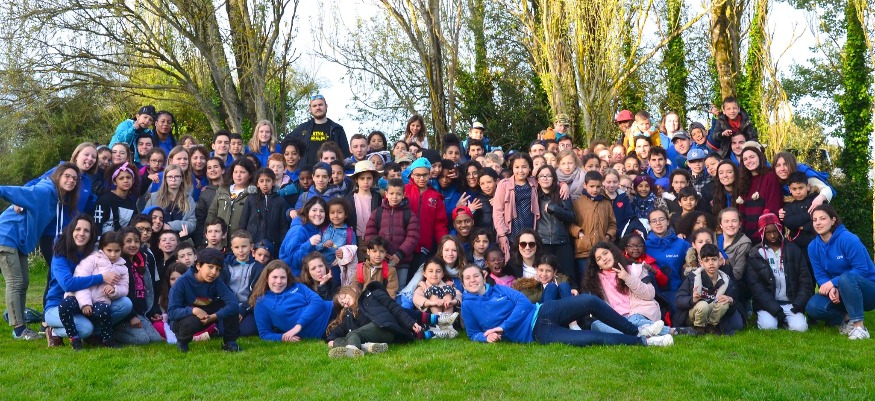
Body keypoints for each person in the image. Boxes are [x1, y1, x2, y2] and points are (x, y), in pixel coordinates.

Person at [460, 265, 673, 347]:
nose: (472, 280)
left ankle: (636, 329)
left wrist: (503, 327)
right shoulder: (468, 306)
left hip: (544, 310)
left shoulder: (498, 289)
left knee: (590, 301)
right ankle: (644, 342)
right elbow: (472, 333)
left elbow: (523, 302)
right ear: (462, 283)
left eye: (475, 276)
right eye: (467, 278)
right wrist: (486, 337)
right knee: (592, 338)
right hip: (537, 333)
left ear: (483, 276)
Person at [1, 162, 81, 340]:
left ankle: (20, 325)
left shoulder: (56, 197)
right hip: (6, 236)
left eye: (75, 178)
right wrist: (13, 198)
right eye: (67, 176)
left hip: (19, 242)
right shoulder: (45, 191)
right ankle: (19, 330)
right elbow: (17, 192)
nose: (71, 180)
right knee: (15, 282)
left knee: (23, 282)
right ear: (57, 176)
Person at [44, 216, 132, 346]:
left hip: (89, 301)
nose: (81, 233)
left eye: (86, 230)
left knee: (125, 304)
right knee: (85, 329)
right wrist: (101, 277)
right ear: (71, 231)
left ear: (91, 235)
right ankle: (54, 331)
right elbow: (67, 284)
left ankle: (95, 333)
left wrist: (114, 289)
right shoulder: (60, 254)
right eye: (78, 229)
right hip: (59, 305)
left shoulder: (94, 253)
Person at [583, 242, 685, 336]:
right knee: (596, 325)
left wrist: (627, 278)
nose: (604, 258)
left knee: (632, 321)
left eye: (605, 253)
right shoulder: (595, 281)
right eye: (599, 258)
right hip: (617, 319)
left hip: (639, 313)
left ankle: (670, 331)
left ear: (613, 253)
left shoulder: (636, 269)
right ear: (598, 265)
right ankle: (646, 336)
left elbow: (649, 294)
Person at [805, 205, 875, 340]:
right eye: (814, 220)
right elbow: (820, 275)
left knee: (846, 278)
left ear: (833, 220)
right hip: (839, 290)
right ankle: (848, 318)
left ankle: (860, 328)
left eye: (822, 218)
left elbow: (861, 269)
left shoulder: (849, 239)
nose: (818, 223)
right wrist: (832, 287)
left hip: (868, 290)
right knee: (813, 307)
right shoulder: (813, 247)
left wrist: (834, 283)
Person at [58, 231, 129, 349]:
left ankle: (106, 338)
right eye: (109, 250)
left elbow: (124, 288)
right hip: (78, 298)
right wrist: (85, 303)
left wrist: (114, 290)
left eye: (117, 251)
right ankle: (74, 338)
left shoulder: (123, 268)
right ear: (102, 248)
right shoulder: (91, 259)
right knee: (65, 305)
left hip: (100, 301)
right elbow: (80, 281)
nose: (113, 254)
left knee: (104, 310)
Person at [746, 211, 813, 332]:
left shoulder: (793, 249)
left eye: (775, 231)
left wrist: (798, 305)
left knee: (801, 328)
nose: (772, 235)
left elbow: (805, 280)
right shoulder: (755, 254)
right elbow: (756, 287)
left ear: (780, 230)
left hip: (791, 303)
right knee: (768, 327)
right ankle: (777, 319)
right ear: (762, 233)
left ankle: (786, 320)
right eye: (768, 232)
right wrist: (775, 309)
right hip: (767, 305)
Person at [168, 247, 241, 352]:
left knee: (231, 307)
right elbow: (172, 313)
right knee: (191, 322)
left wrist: (213, 317)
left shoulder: (217, 282)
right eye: (210, 267)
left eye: (218, 269)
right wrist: (194, 310)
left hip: (207, 315)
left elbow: (233, 303)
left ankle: (230, 342)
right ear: (198, 266)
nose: (214, 272)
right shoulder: (181, 282)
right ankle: (182, 342)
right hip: (185, 319)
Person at [327, 283, 427, 359]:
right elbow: (341, 328)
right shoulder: (349, 315)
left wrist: (410, 323)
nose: (345, 302)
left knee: (353, 334)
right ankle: (367, 347)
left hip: (383, 328)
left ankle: (352, 351)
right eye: (342, 304)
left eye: (344, 297)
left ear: (352, 290)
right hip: (370, 337)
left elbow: (395, 309)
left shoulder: (371, 296)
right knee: (342, 339)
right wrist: (332, 340)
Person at [250, 259, 333, 343]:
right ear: (267, 278)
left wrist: (298, 326)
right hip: (321, 329)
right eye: (274, 277)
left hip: (331, 310)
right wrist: (282, 337)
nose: (279, 281)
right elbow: (264, 334)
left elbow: (318, 302)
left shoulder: (297, 286)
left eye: (283, 277)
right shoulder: (262, 302)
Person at [675, 244, 744, 335]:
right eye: (707, 260)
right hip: (694, 315)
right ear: (701, 263)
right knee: (703, 305)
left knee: (724, 303)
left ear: (720, 261)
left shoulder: (726, 280)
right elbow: (678, 299)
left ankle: (710, 326)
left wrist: (731, 300)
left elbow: (731, 310)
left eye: (714, 259)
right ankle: (699, 328)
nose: (711, 263)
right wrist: (692, 300)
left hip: (711, 313)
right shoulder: (693, 277)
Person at [364, 178, 420, 287]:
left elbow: (413, 237)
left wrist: (399, 254)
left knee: (399, 287)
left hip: (402, 261)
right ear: (386, 194)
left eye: (398, 194)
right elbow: (370, 233)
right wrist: (379, 251)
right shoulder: (378, 213)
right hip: (380, 260)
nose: (395, 197)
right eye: (391, 193)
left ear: (403, 195)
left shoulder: (409, 214)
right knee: (379, 287)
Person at [113, 227, 164, 345]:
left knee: (155, 339)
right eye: (128, 241)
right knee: (142, 339)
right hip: (126, 314)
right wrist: (131, 316)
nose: (133, 245)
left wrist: (153, 311)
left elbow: (149, 290)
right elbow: (120, 295)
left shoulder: (141, 261)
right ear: (121, 243)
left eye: (136, 241)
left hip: (141, 313)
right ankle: (109, 333)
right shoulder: (119, 265)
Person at [533, 165, 575, 286]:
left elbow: (571, 216)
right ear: (537, 179)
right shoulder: (534, 195)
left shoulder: (561, 193)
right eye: (542, 176)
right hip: (543, 242)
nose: (545, 178)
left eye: (548, 176)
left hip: (562, 241)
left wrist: (555, 208)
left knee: (568, 277)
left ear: (554, 178)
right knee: (545, 278)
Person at [493, 153, 539, 260]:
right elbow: (497, 211)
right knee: (513, 262)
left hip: (529, 229)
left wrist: (563, 184)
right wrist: (501, 234)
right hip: (511, 231)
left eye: (524, 167)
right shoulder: (504, 184)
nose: (520, 170)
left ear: (530, 168)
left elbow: (551, 181)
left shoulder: (534, 183)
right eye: (517, 167)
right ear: (512, 168)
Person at [644, 209, 690, 312]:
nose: (658, 223)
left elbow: (698, 254)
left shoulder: (681, 244)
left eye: (661, 219)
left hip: (676, 291)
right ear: (650, 225)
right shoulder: (643, 246)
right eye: (654, 221)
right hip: (652, 293)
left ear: (668, 222)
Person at [287, 94, 349, 166]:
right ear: (310, 109)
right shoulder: (302, 128)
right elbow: (285, 143)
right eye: (314, 106)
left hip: (330, 171)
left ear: (326, 106)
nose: (318, 108)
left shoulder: (337, 129)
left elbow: (346, 155)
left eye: (320, 105)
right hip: (307, 171)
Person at [738, 145, 783, 238]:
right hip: (746, 237)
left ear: (759, 157)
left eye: (752, 157)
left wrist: (759, 235)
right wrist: (743, 236)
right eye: (745, 159)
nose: (749, 161)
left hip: (766, 235)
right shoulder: (744, 181)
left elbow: (772, 208)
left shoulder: (770, 177)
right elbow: (742, 211)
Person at [207, 158, 257, 241]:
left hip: (241, 241)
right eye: (235, 172)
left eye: (242, 172)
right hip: (219, 240)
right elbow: (212, 214)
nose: (238, 175)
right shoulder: (222, 190)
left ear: (250, 175)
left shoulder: (253, 194)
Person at [239, 168, 289, 249]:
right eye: (261, 181)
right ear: (257, 184)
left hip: (273, 244)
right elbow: (243, 221)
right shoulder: (251, 199)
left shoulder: (279, 200)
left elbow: (283, 226)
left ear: (273, 182)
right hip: (253, 242)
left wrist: (282, 245)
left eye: (268, 181)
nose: (265, 184)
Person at [279, 197, 328, 277]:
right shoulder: (298, 230)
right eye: (314, 210)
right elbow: (294, 260)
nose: (318, 214)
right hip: (294, 278)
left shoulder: (316, 229)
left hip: (307, 277)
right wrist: (309, 244)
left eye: (322, 211)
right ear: (307, 212)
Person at [143, 164, 196, 236]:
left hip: (180, 238)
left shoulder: (189, 200)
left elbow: (192, 224)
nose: (173, 179)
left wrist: (170, 226)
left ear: (182, 179)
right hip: (157, 238)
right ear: (165, 179)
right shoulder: (154, 197)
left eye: (177, 176)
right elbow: (144, 218)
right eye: (170, 177)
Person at [780, 171, 817, 261]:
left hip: (817, 243)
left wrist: (804, 227)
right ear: (789, 189)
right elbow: (789, 222)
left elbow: (823, 220)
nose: (798, 192)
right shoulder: (788, 204)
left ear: (807, 187)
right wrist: (810, 214)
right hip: (797, 247)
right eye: (794, 189)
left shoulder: (815, 200)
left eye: (801, 188)